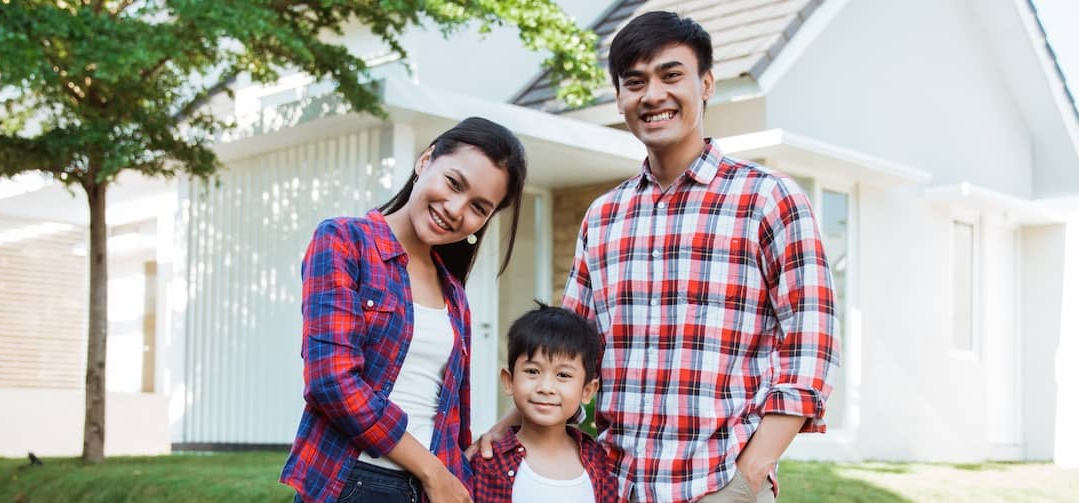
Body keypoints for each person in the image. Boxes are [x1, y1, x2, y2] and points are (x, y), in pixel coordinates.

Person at [474, 11, 839, 503]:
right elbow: (567, 351)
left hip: (718, 484)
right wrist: (506, 429)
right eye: (635, 82)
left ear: (706, 83)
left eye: (671, 76)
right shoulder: (604, 217)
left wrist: (747, 479)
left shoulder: (767, 199)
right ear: (621, 98)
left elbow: (809, 349)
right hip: (611, 485)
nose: (653, 95)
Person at [282, 116, 528, 503]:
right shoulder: (345, 242)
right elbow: (331, 380)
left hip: (433, 489)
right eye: (453, 183)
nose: (455, 209)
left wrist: (453, 473)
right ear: (425, 160)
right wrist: (432, 471)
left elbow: (448, 413)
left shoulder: (454, 294)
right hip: (355, 482)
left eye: (478, 207)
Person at [470, 304, 618, 503]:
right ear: (509, 380)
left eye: (563, 375)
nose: (546, 387)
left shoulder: (599, 462)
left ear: (587, 391)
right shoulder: (487, 463)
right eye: (532, 372)